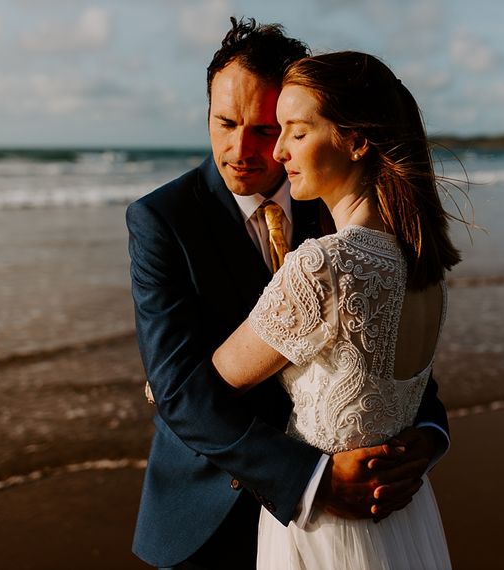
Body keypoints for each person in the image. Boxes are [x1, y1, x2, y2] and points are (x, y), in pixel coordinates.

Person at [126, 18, 450, 569]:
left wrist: (428, 435)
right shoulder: (163, 219)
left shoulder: (332, 205)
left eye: (267, 129)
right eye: (225, 123)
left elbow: (386, 358)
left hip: (348, 514)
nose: (243, 149)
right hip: (207, 512)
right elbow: (180, 391)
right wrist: (313, 479)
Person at [212, 50, 460, 569]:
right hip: (401, 518)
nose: (278, 150)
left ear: (356, 141)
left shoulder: (324, 264)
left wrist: (156, 382)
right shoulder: (424, 264)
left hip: (329, 524)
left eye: (298, 132)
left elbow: (217, 379)